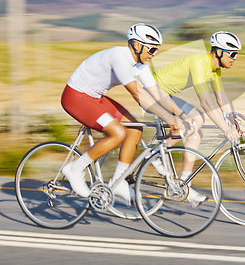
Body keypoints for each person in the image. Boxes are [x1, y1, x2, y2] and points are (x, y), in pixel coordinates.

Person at [61, 23, 188, 204]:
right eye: (151, 50)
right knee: (118, 132)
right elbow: (139, 95)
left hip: (94, 98)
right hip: (76, 98)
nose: (154, 54)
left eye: (156, 51)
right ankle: (74, 168)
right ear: (137, 45)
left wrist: (181, 115)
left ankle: (118, 181)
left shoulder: (139, 63)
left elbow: (157, 92)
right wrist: (169, 118)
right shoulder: (119, 57)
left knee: (135, 128)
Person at [151, 31, 245, 194]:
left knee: (197, 133)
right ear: (219, 52)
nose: (235, 58)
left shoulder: (215, 69)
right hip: (153, 93)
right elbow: (205, 101)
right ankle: (154, 154)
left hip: (166, 95)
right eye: (232, 54)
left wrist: (236, 125)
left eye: (236, 54)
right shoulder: (200, 63)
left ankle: (184, 184)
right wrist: (226, 130)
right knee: (196, 120)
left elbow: (222, 100)